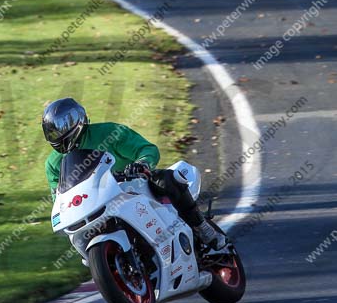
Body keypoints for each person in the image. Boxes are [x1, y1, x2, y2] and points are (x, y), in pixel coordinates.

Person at [42, 97, 226, 250]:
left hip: (133, 184)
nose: (56, 136)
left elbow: (147, 149)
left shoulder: (109, 132)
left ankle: (200, 226)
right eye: (51, 132)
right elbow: (58, 198)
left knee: (168, 179)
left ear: (77, 123)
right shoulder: (53, 163)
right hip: (94, 203)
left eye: (60, 129)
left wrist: (141, 164)